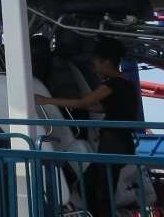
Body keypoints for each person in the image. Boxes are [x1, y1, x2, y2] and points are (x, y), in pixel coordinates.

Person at [35, 37, 141, 217]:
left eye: (96, 65)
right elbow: (100, 107)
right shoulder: (126, 83)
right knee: (92, 185)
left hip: (114, 144)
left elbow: (82, 102)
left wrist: (46, 101)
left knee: (101, 193)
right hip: (120, 143)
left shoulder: (112, 84)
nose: (95, 70)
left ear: (107, 63)